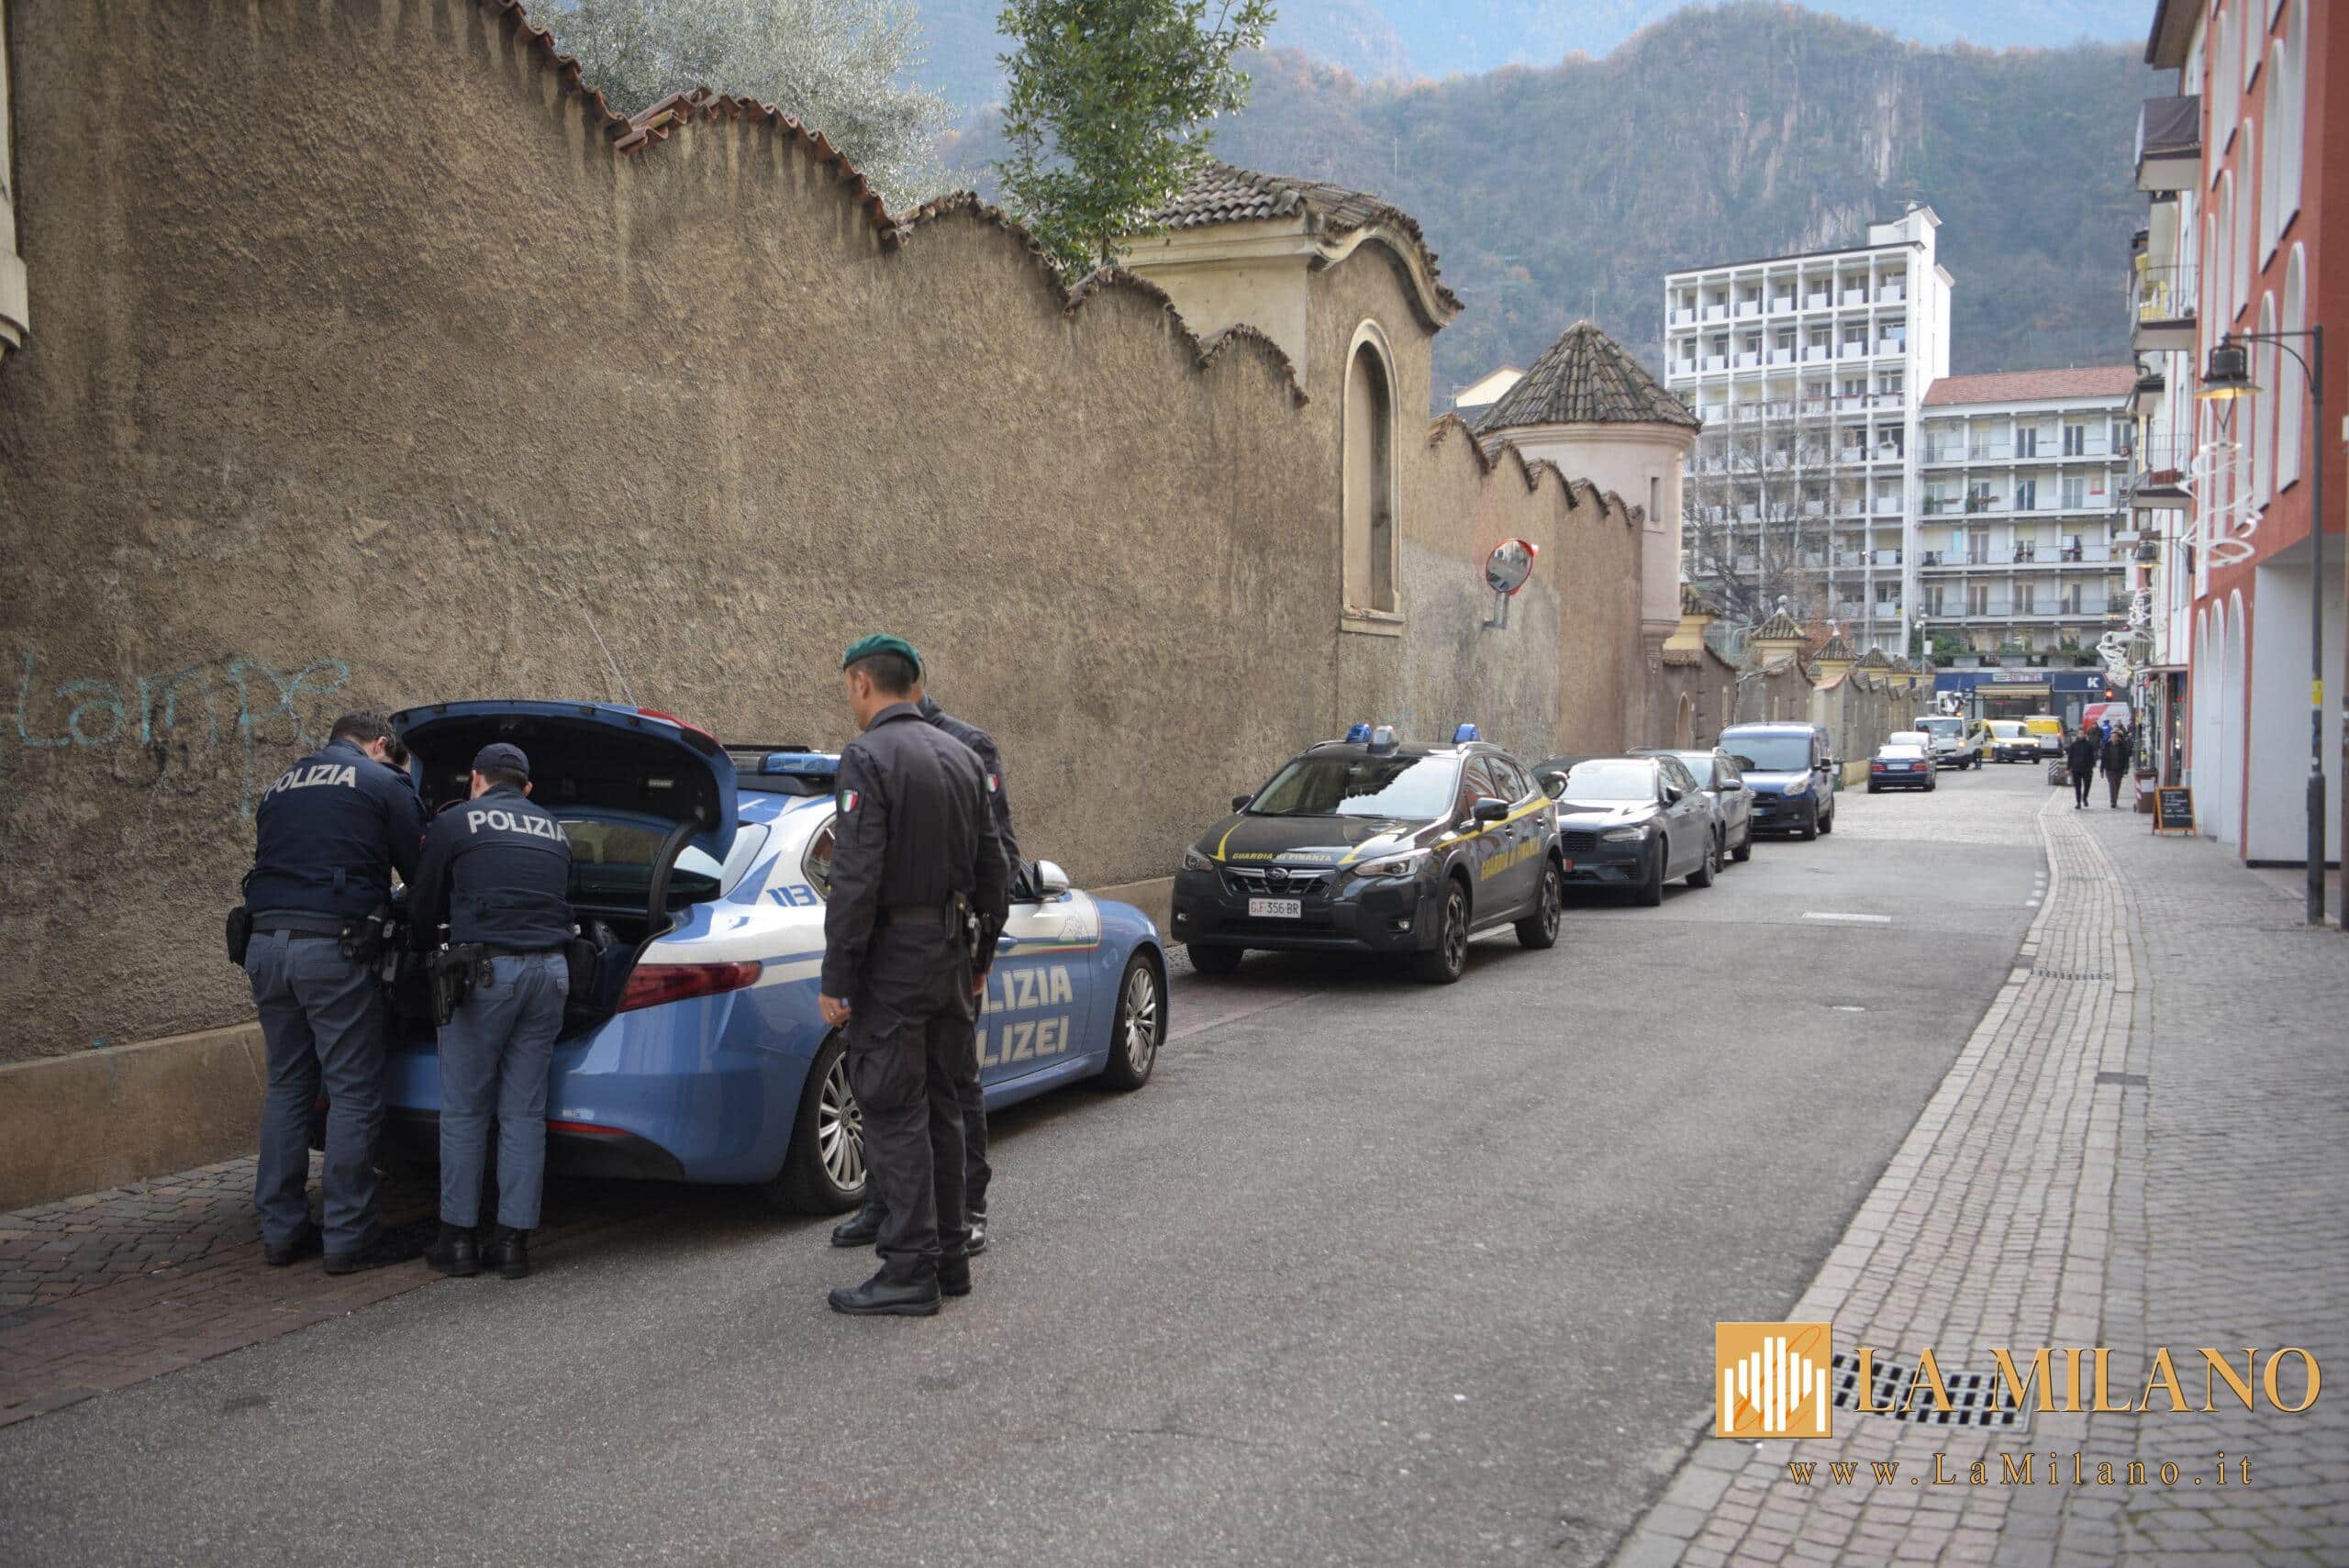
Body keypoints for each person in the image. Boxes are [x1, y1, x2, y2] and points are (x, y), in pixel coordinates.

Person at [818, 636, 1009, 1316]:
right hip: (951, 955)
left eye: (848, 686)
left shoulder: (867, 756)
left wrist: (838, 976)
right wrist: (980, 957)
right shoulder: (963, 756)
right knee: (945, 1105)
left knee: (895, 1108)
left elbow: (855, 877)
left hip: (894, 963)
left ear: (862, 683)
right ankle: (950, 1257)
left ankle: (908, 1268)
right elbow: (995, 869)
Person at [240, 711, 428, 1274]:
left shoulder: (281, 784)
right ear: (380, 745)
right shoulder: (381, 781)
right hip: (332, 950)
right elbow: (421, 870)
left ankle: (282, 1232)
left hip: (265, 945)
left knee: (288, 1086)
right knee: (352, 1090)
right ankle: (349, 1236)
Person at [407, 743, 575, 1281]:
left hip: (484, 975)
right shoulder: (555, 830)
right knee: (524, 1114)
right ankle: (512, 1245)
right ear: (527, 788)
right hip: (551, 974)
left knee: (464, 1111)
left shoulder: (456, 822)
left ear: (475, 779)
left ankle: (458, 1240)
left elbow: (423, 906)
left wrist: (422, 948)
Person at [2100, 723, 2135, 810]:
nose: (2113, 738)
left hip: (2119, 770)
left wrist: (2126, 768)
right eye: (2112, 737)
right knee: (2112, 784)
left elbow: (2126, 759)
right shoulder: (2106, 747)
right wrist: (2101, 769)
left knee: (2117, 785)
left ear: (2118, 738)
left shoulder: (2122, 747)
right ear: (2110, 738)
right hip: (2109, 770)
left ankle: (2115, 799)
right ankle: (2113, 801)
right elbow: (2103, 759)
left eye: (2115, 737)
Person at [2065, 726, 2099, 810]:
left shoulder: (2089, 745)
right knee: (2078, 786)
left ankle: (2085, 797)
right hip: (2076, 768)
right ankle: (2078, 802)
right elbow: (2070, 757)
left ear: (2085, 735)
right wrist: (2068, 768)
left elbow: (2092, 757)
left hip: (2087, 769)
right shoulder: (2074, 745)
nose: (2081, 735)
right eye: (2079, 733)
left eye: (2082, 734)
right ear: (2077, 735)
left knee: (2087, 785)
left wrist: (2092, 765)